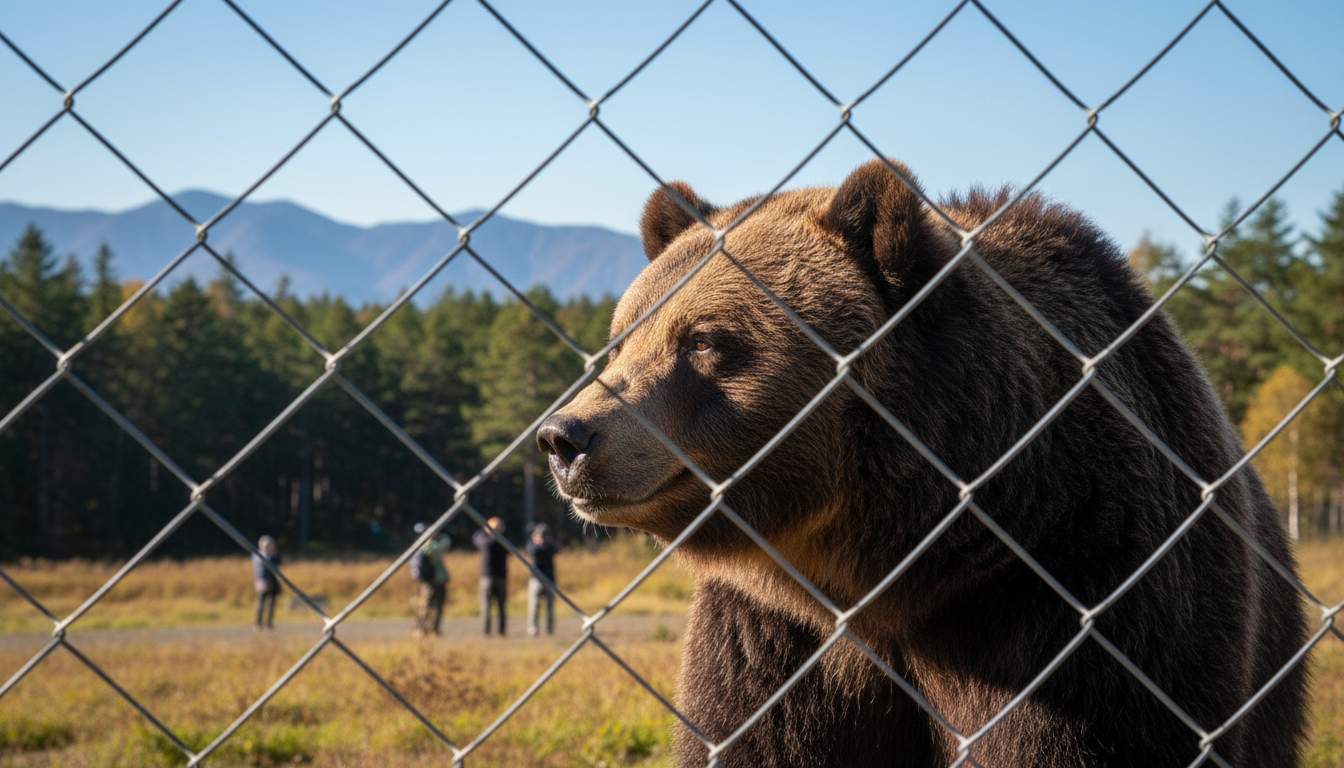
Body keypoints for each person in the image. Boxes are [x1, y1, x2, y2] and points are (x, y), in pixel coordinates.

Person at [412, 522, 451, 638]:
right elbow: (443, 544)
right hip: (429, 582)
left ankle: (434, 629)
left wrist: (436, 537)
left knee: (438, 606)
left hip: (440, 580)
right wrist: (433, 539)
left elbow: (445, 544)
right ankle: (420, 629)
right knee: (425, 606)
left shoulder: (433, 544)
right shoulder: (423, 546)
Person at [472, 517, 508, 636]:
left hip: (487, 577)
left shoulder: (486, 542)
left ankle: (486, 631)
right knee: (501, 607)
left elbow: (476, 538)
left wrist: (485, 528)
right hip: (502, 577)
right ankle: (502, 630)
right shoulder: (504, 541)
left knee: (486, 606)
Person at [525, 524, 558, 636]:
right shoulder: (533, 545)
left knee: (549, 607)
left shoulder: (551, 546)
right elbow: (532, 551)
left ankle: (549, 629)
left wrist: (546, 543)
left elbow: (554, 550)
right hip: (536, 579)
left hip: (549, 579)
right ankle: (533, 628)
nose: (543, 537)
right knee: (534, 605)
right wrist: (537, 542)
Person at [252, 535, 282, 629]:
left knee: (271, 604)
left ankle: (269, 623)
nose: (268, 548)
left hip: (272, 581)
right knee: (261, 603)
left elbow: (278, 562)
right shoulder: (258, 555)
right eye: (267, 546)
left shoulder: (273, 556)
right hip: (262, 581)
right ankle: (258, 623)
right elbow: (261, 567)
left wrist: (273, 553)